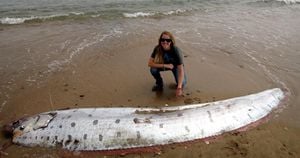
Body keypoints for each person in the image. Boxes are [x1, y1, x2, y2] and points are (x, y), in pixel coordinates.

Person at [148, 31, 187, 97]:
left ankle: (179, 84)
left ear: (171, 41)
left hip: (176, 67)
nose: (165, 42)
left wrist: (179, 88)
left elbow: (180, 69)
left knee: (182, 84)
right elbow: (150, 63)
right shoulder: (157, 48)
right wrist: (165, 65)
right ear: (160, 41)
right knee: (153, 69)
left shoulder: (176, 50)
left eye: (168, 40)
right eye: (162, 40)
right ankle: (159, 84)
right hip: (165, 65)